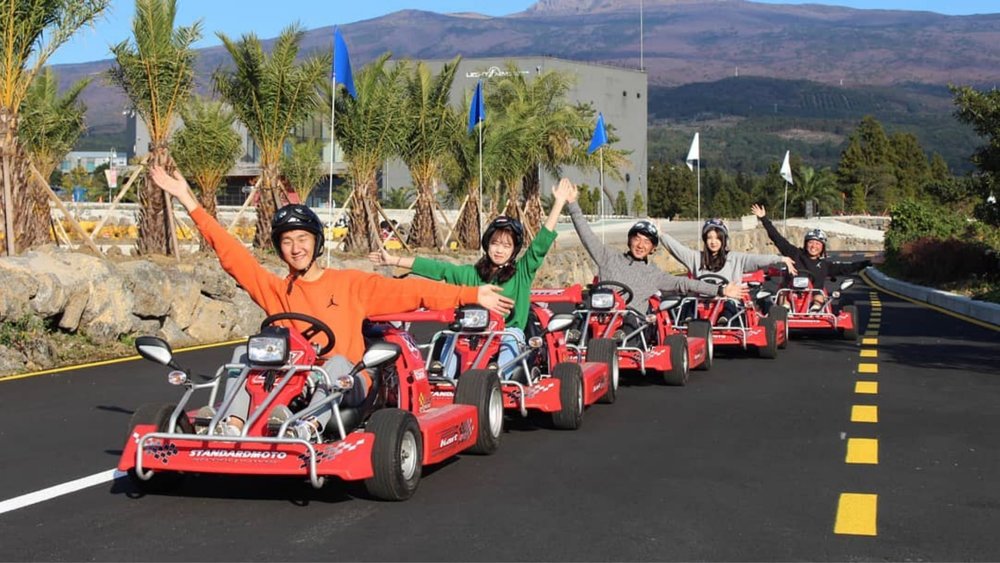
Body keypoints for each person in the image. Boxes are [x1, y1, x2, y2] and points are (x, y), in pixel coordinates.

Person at [150, 166, 513, 441]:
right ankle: (230, 425)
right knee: (245, 356)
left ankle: (306, 427)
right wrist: (187, 199)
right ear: (279, 248)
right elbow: (232, 255)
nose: (296, 248)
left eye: (302, 239)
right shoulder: (275, 290)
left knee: (338, 361)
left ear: (316, 243)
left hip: (349, 382)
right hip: (292, 378)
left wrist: (471, 295)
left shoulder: (351, 284)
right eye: (287, 241)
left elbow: (414, 292)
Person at [369, 178, 575, 379]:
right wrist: (393, 260)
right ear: (487, 245)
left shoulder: (522, 272)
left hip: (507, 334)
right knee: (451, 337)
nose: (499, 250)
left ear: (513, 250)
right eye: (495, 244)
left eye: (506, 246)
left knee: (512, 340)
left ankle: (498, 378)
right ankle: (443, 379)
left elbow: (540, 245)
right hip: (471, 333)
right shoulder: (471, 274)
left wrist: (559, 202)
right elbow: (438, 269)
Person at [564, 180, 747, 335]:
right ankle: (575, 338)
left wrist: (720, 290)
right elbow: (587, 236)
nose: (640, 245)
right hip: (599, 316)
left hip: (632, 324)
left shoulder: (654, 274)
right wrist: (572, 203)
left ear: (652, 249)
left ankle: (617, 341)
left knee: (629, 322)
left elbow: (685, 283)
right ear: (629, 240)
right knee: (580, 314)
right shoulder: (608, 257)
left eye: (647, 242)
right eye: (637, 239)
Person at [661, 218, 797, 325]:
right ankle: (689, 323)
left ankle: (724, 322)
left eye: (717, 238)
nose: (713, 242)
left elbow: (757, 259)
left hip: (728, 302)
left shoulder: (735, 258)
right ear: (705, 239)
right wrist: (660, 235)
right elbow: (677, 249)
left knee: (729, 305)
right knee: (688, 303)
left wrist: (780, 259)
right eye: (709, 238)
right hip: (702, 302)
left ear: (723, 239)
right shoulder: (696, 258)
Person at [750, 203, 871, 311]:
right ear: (805, 244)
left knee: (819, 295)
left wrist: (868, 262)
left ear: (822, 247)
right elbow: (777, 238)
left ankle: (816, 309)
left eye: (817, 244)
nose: (813, 246)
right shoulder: (794, 254)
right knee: (783, 293)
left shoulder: (824, 265)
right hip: (790, 295)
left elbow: (847, 268)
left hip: (814, 298)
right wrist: (763, 218)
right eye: (811, 242)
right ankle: (785, 310)